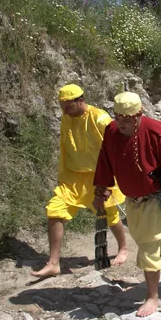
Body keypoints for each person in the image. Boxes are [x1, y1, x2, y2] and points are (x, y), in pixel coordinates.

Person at [93, 92, 161, 317]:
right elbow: (105, 159)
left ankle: (152, 296)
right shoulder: (112, 130)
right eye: (119, 118)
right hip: (132, 201)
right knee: (148, 242)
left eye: (128, 119)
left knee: (148, 246)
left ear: (139, 114)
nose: (123, 123)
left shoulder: (157, 131)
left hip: (155, 199)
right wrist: (102, 188)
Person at [32, 84, 127, 278]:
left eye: (68, 106)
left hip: (100, 176)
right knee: (55, 210)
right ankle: (53, 263)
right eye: (62, 106)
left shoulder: (100, 119)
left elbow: (115, 150)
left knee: (109, 215)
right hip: (74, 177)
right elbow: (66, 148)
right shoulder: (67, 118)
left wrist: (108, 182)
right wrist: (63, 174)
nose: (64, 111)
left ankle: (123, 247)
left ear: (80, 101)